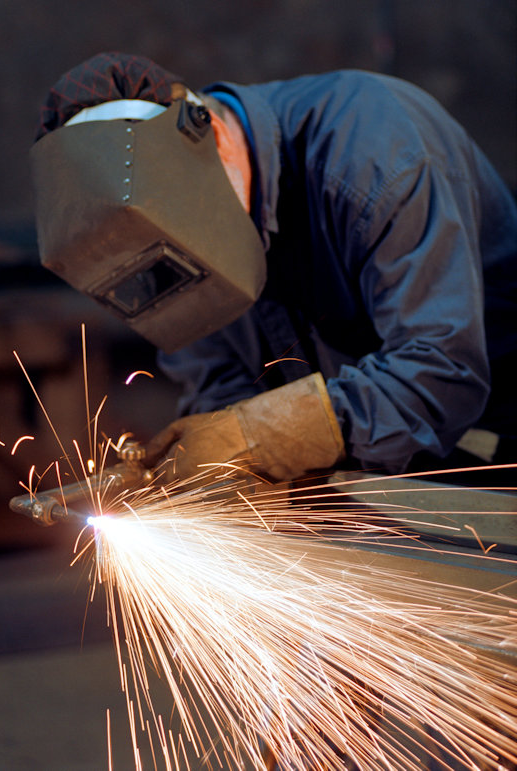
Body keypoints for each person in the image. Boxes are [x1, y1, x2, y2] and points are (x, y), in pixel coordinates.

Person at [32, 52, 517, 483]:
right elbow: (217, 385)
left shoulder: (376, 154)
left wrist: (263, 437)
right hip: (380, 478)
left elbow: (443, 372)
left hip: (494, 445)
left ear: (215, 137)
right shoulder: (167, 242)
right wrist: (220, 467)